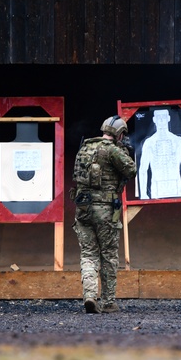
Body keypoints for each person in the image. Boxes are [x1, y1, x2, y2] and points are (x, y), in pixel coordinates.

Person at [71, 115, 137, 313]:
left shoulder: (85, 147)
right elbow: (131, 170)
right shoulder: (113, 150)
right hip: (105, 209)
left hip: (82, 207)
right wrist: (125, 150)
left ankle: (90, 296)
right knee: (108, 255)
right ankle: (108, 302)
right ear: (119, 133)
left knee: (88, 254)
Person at [137, 108, 181, 199]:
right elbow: (143, 170)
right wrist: (143, 193)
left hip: (176, 186)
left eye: (163, 117)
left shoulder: (178, 141)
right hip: (157, 188)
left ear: (168, 118)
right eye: (158, 117)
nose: (161, 120)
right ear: (154, 120)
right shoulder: (149, 143)